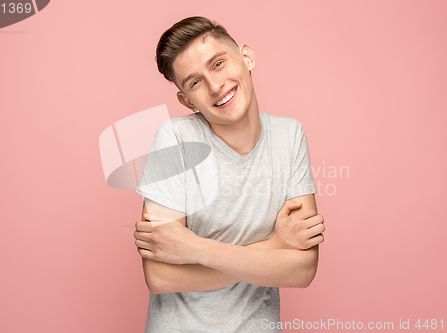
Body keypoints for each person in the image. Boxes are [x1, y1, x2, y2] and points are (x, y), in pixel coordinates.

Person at [134, 16, 325, 333]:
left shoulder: (289, 136)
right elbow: (160, 277)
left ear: (246, 57)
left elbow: (302, 270)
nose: (214, 85)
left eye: (218, 64)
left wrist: (196, 249)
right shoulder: (175, 140)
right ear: (186, 100)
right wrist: (275, 247)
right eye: (194, 82)